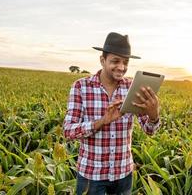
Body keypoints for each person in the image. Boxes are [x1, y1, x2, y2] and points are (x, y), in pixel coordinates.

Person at [63, 32, 161, 195]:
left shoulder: (133, 87)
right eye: (115, 61)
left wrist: (153, 115)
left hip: (123, 175)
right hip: (91, 175)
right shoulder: (81, 86)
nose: (121, 67)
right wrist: (102, 121)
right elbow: (68, 131)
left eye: (125, 62)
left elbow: (149, 130)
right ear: (102, 60)